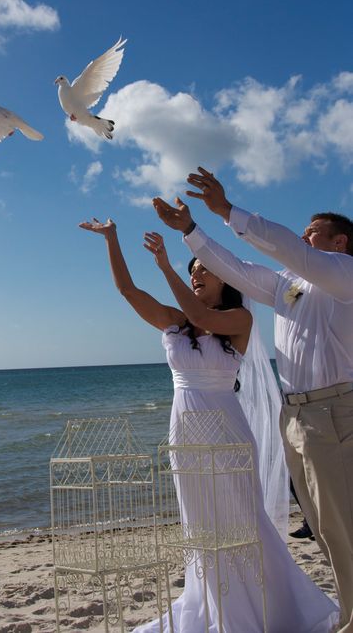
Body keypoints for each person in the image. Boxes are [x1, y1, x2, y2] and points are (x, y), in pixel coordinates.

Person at [79, 217, 338, 633]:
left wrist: (166, 266)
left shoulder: (240, 320)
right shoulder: (176, 323)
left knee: (241, 523)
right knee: (202, 528)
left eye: (203, 269)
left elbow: (201, 313)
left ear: (226, 280)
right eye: (192, 271)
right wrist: (112, 238)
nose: (196, 274)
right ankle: (216, 607)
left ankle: (270, 608)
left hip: (227, 435)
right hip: (184, 436)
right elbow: (128, 291)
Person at [153, 166, 353, 633]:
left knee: (343, 525)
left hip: (336, 411)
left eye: (314, 232)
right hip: (298, 415)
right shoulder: (289, 286)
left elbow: (285, 247)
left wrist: (226, 210)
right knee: (326, 528)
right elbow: (236, 270)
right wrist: (190, 232)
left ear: (340, 243)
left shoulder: (344, 273)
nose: (305, 236)